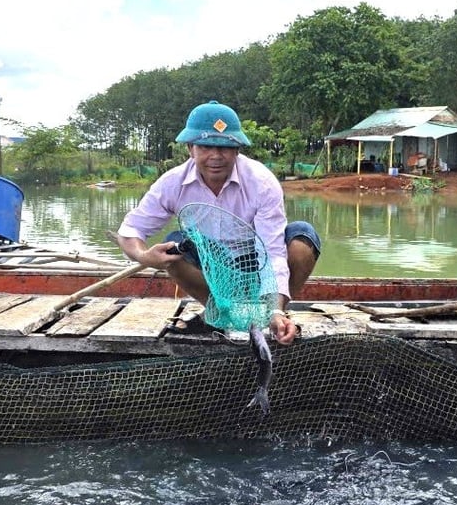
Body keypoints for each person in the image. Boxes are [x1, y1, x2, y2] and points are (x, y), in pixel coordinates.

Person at [115, 100, 320, 345]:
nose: (215, 156)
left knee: (302, 237)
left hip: (255, 259)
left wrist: (275, 309)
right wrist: (143, 256)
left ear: (237, 150)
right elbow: (130, 230)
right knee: (174, 244)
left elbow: (273, 251)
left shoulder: (261, 181)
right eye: (205, 146)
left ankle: (273, 314)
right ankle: (218, 315)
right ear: (190, 148)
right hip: (210, 265)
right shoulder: (172, 182)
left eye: (224, 147)